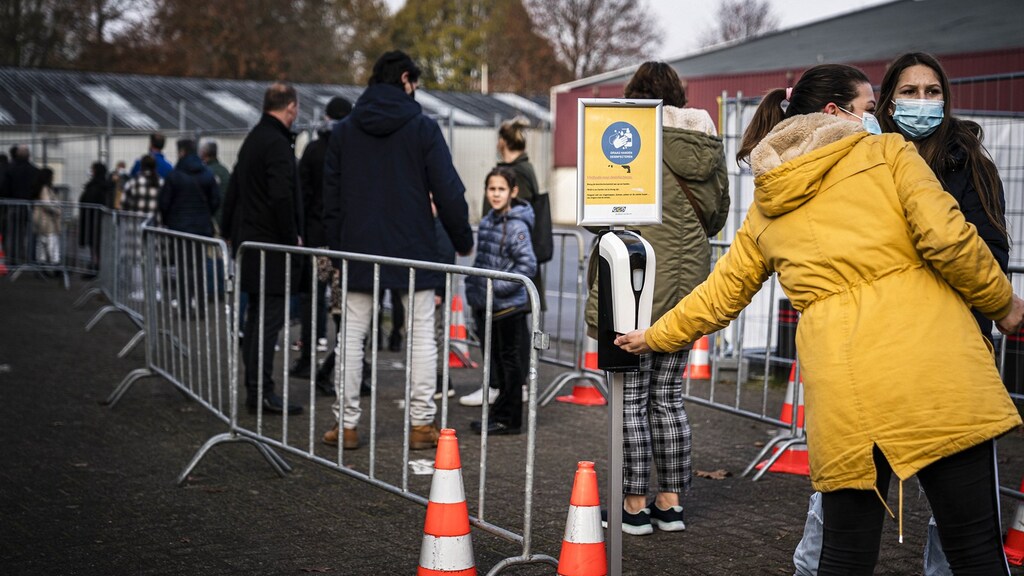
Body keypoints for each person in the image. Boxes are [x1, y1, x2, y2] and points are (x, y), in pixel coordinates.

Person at [613, 63, 1024, 574]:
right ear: (835, 112)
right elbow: (948, 239)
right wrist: (1002, 303)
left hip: (843, 385)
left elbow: (721, 293)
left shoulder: (768, 200)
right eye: (871, 109)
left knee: (845, 553)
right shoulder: (889, 154)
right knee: (974, 548)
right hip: (932, 365)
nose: (877, 119)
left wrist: (654, 335)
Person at [791, 52, 1012, 576]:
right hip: (865, 361)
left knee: (961, 516)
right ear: (883, 102)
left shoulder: (970, 164)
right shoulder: (852, 157)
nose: (920, 101)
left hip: (946, 354)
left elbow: (985, 251)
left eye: (931, 91)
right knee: (842, 512)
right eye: (907, 92)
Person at [586, 61, 730, 536]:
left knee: (630, 400)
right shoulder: (707, 143)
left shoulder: (629, 135)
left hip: (634, 280)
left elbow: (600, 210)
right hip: (687, 289)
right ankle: (669, 505)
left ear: (635, 98)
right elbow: (717, 216)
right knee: (668, 399)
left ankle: (633, 506)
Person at [322, 50, 474, 450]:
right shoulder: (422, 128)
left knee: (351, 336)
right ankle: (421, 425)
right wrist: (461, 239)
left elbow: (331, 198)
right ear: (406, 79)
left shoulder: (343, 131)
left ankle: (347, 425)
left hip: (358, 247)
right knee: (421, 334)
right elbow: (448, 189)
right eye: (416, 84)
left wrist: (337, 249)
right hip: (413, 246)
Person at [221, 82, 303, 415]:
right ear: (291, 107)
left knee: (256, 320)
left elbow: (234, 189)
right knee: (267, 322)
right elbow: (281, 195)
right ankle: (262, 391)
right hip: (271, 246)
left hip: (251, 243)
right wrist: (291, 237)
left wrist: (228, 231)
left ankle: (255, 389)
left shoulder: (254, 139)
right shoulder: (277, 144)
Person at [464, 167, 536, 435]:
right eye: (491, 189)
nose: (496, 194)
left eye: (501, 189)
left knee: (509, 362)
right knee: (496, 362)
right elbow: (482, 261)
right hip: (487, 304)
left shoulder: (517, 225)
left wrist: (497, 287)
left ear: (513, 192)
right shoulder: (487, 221)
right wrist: (475, 288)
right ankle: (499, 413)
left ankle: (510, 419)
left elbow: (527, 265)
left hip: (508, 306)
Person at [289, 96, 352, 377]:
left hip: (316, 238)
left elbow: (302, 194)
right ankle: (345, 362)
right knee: (342, 305)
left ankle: (306, 359)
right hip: (344, 241)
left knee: (311, 300)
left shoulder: (314, 150)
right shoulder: (354, 151)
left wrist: (300, 231)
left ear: (326, 116)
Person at [159, 139, 220, 318]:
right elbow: (216, 200)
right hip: (201, 228)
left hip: (179, 229)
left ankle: (185, 308)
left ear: (182, 152)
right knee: (199, 268)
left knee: (183, 269)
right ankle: (200, 308)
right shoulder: (207, 174)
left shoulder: (174, 175)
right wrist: (206, 214)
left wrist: (170, 220)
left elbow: (164, 202)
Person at [78, 161, 111, 275]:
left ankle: (95, 265)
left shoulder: (96, 186)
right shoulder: (101, 185)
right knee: (95, 243)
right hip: (94, 219)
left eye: (92, 170)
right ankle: (95, 264)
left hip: (94, 219)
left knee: (95, 243)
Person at [199, 140, 231, 235]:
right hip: (225, 219)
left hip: (210, 221)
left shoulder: (204, 172)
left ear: (204, 153)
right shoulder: (225, 170)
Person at [31, 167, 61, 269]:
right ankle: (54, 264)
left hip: (40, 218)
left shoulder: (39, 187)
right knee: (51, 240)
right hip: (46, 218)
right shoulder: (45, 189)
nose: (53, 177)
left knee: (42, 241)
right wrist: (57, 210)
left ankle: (41, 263)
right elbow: (47, 204)